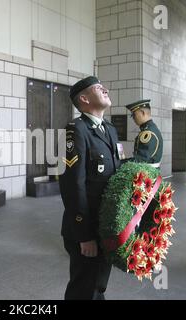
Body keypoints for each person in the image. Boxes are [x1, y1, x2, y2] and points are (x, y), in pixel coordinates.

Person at [59, 76, 121, 300]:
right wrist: (84, 235)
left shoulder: (109, 130)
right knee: (84, 288)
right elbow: (72, 186)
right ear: (84, 99)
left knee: (98, 285)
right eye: (98, 88)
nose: (105, 89)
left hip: (104, 226)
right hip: (86, 229)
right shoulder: (75, 130)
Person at [125, 100, 163, 168]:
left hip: (147, 174)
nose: (133, 118)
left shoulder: (149, 133)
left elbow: (141, 159)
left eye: (134, 114)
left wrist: (120, 163)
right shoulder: (150, 129)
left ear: (142, 113)